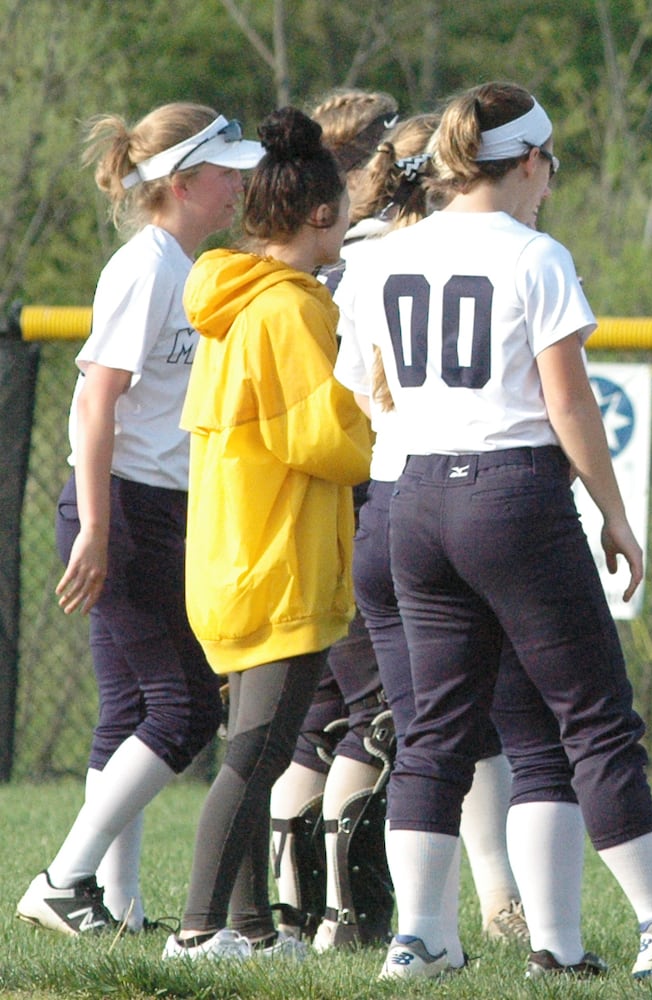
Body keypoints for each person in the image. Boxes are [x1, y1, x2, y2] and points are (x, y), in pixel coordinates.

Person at [336, 80, 652, 982]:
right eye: (551, 169)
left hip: (413, 496)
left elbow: (361, 380)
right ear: (530, 160)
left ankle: (418, 938)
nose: (550, 187)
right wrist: (615, 513)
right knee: (594, 721)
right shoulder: (534, 255)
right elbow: (567, 399)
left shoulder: (383, 255)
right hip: (512, 492)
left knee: (436, 729)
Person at [14, 101, 256, 938]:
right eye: (226, 172)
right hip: (124, 506)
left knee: (127, 710)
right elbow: (95, 402)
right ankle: (63, 880)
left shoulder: (187, 264)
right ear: (183, 182)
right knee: (186, 707)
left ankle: (116, 908)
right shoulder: (146, 267)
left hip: (149, 506)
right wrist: (96, 524)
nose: (239, 186)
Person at [331, 110, 544, 959]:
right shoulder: (451, 251)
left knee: (384, 724)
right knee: (466, 722)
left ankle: (373, 924)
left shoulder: (361, 254)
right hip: (449, 491)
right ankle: (488, 907)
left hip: (378, 508)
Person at [165, 107, 373, 960]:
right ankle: (195, 930)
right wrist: (378, 422)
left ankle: (250, 930)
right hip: (280, 561)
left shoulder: (233, 299)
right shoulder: (290, 309)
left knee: (248, 752)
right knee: (255, 756)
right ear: (320, 215)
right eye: (346, 208)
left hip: (230, 558)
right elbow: (322, 439)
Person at [265, 89, 415, 950]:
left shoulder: (293, 257)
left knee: (313, 719)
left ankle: (296, 913)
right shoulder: (381, 257)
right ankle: (344, 918)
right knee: (378, 711)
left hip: (289, 511)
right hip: (364, 494)